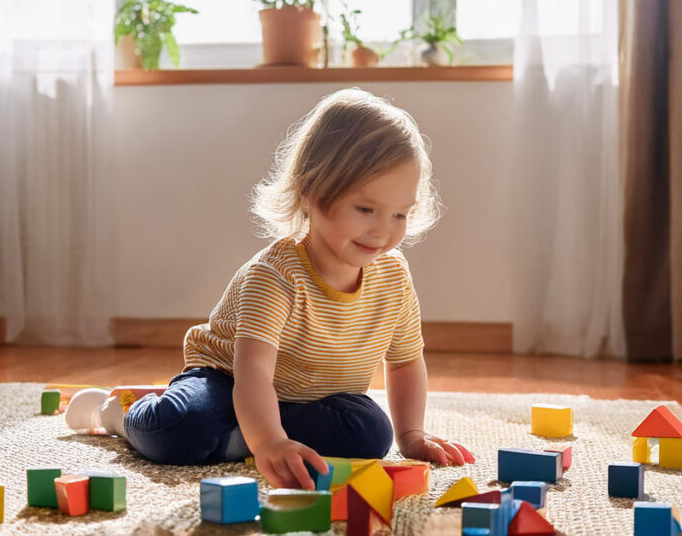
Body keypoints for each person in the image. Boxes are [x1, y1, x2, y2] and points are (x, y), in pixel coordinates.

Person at [71, 87, 473, 490]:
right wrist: (269, 442)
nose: (383, 230)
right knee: (180, 429)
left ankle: (232, 439)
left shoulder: (394, 278)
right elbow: (254, 371)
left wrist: (411, 436)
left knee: (371, 434)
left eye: (400, 214)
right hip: (228, 380)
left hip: (313, 400)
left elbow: (403, 362)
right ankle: (119, 412)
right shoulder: (275, 276)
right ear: (311, 193)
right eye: (366, 209)